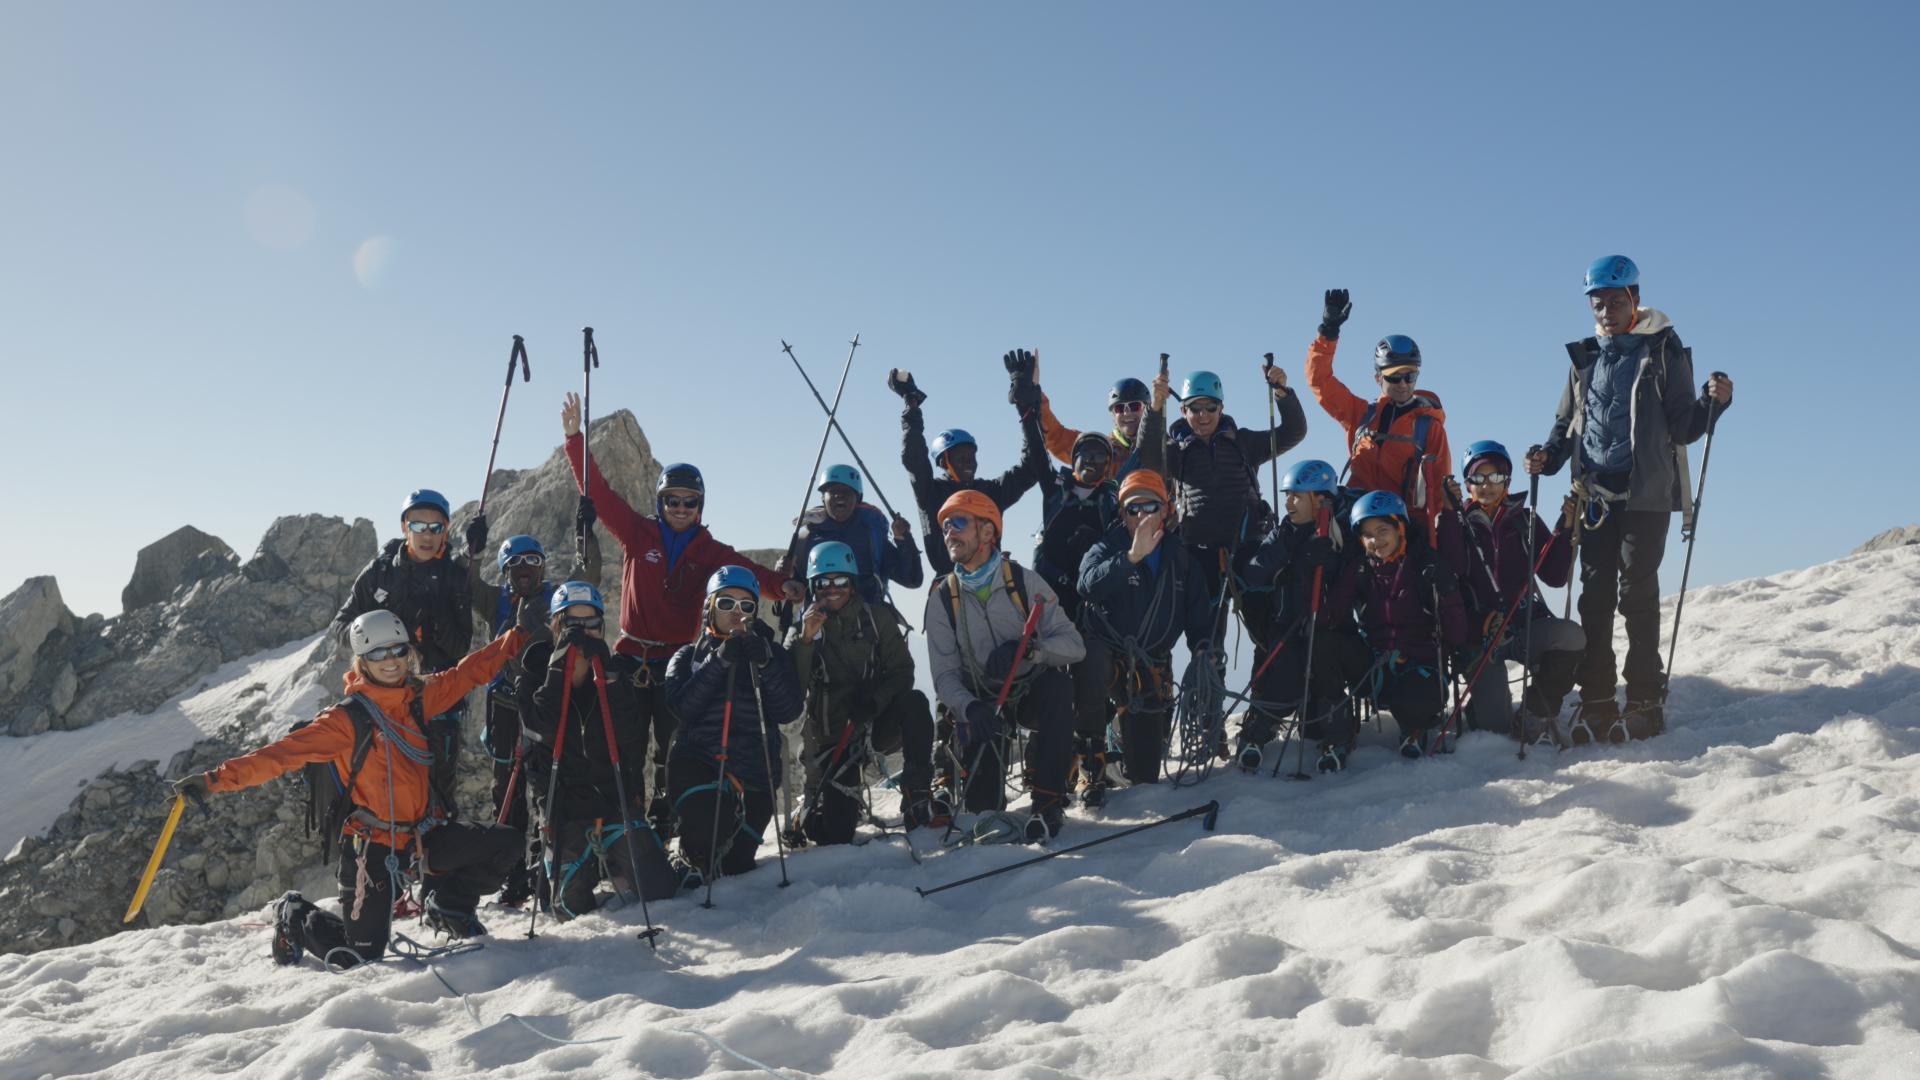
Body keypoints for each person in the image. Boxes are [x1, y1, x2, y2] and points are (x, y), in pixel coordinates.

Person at [171, 609, 532, 968]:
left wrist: (518, 636)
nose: (390, 661)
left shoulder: (420, 697)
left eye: (397, 651)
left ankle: (449, 907)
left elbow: (468, 673)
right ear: (362, 661)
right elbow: (279, 755)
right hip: (372, 848)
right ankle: (295, 916)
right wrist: (213, 781)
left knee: (506, 844)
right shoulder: (345, 721)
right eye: (377, 654)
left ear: (409, 653)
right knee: (359, 955)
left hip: (423, 836)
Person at [561, 392, 801, 838]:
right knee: (628, 744)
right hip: (632, 656)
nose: (681, 509)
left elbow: (749, 575)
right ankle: (628, 817)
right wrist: (575, 439)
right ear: (660, 501)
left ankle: (668, 817)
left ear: (700, 506)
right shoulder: (638, 533)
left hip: (677, 661)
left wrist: (782, 588)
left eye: (690, 502)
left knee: (672, 745)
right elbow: (600, 493)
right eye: (673, 500)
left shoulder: (710, 551)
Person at [1526, 255, 1734, 738]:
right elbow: (1566, 423)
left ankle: (1644, 699)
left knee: (1636, 597)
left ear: (1635, 300)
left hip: (1645, 495)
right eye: (1598, 303)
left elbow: (1683, 424)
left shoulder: (1663, 348)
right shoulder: (1585, 357)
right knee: (1593, 602)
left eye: (1615, 301)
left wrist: (1714, 404)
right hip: (1595, 496)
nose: (1605, 311)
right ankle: (1596, 699)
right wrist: (1547, 459)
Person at [924, 490, 1086, 840]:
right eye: (946, 526)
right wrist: (969, 707)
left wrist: (1032, 651)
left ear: (987, 532)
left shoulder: (1023, 583)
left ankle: (1047, 804)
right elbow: (945, 675)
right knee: (985, 807)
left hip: (1028, 691)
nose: (949, 532)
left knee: (1059, 688)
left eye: (959, 522)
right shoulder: (942, 597)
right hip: (981, 704)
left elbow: (1074, 646)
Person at [462, 516, 602, 909]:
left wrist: (585, 535)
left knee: (543, 783)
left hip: (542, 703)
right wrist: (472, 550)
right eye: (516, 563)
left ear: (541, 566)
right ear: (507, 571)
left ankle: (545, 866)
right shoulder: (496, 601)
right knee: (506, 786)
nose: (525, 568)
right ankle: (511, 873)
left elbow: (587, 572)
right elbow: (467, 586)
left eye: (532, 561)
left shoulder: (557, 596)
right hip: (505, 703)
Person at [520, 581, 678, 919]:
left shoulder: (616, 671)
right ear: (556, 626)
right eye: (571, 624)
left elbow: (629, 733)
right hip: (563, 807)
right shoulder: (533, 671)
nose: (582, 633)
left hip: (612, 800)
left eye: (590, 624)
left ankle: (615, 865)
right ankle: (583, 867)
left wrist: (609, 678)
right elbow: (540, 729)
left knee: (662, 892)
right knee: (569, 909)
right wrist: (557, 671)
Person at [1139, 364, 1307, 651]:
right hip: (1199, 552)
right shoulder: (1176, 453)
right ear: (1183, 411)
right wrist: (1154, 409)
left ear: (1221, 408)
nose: (1203, 415)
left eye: (1210, 407)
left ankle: (1270, 687)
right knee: (1206, 642)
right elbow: (1149, 455)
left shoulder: (1244, 442)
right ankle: (1207, 691)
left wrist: (1282, 392)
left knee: (1268, 630)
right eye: (1195, 408)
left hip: (1248, 548)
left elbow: (1293, 431)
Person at [785, 541, 942, 844]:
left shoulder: (877, 618)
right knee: (836, 834)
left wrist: (873, 704)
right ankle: (810, 815)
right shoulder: (799, 632)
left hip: (875, 724)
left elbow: (902, 672)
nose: (833, 589)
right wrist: (805, 641)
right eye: (823, 583)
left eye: (841, 581)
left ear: (852, 583)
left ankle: (917, 796)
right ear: (812, 587)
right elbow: (792, 691)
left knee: (915, 703)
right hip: (832, 740)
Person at [664, 567, 805, 886]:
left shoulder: (771, 652)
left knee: (734, 866)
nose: (736, 613)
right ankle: (688, 853)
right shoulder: (686, 656)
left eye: (746, 606)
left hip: (755, 774)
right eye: (726, 604)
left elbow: (787, 711)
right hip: (700, 766)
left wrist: (767, 664)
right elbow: (681, 708)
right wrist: (719, 661)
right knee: (704, 849)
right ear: (709, 608)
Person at [1075, 471, 1214, 791]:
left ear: (1165, 510)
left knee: (1145, 776)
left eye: (1149, 507)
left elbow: (1198, 614)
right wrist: (1130, 558)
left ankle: (1121, 760)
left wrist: (1203, 647)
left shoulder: (1181, 558)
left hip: (1150, 665)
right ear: (1121, 513)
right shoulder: (1107, 545)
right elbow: (1086, 586)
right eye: (1131, 509)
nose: (1140, 515)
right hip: (1107, 653)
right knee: (1092, 663)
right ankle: (1091, 754)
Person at [1438, 441, 1585, 744]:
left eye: (1496, 477)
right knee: (1496, 730)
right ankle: (1479, 710)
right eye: (1478, 478)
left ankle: (1536, 710)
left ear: (1507, 480)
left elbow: (1555, 576)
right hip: (1480, 637)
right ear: (1467, 484)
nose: (1487, 485)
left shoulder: (1525, 520)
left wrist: (1568, 528)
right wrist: (1450, 514)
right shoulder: (1456, 521)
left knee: (1572, 636)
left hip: (1522, 625)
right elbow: (1452, 567)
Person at [1313, 491, 1470, 764]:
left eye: (1383, 530)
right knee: (1324, 643)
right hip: (1375, 669)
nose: (1376, 541)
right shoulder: (1361, 568)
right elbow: (1330, 618)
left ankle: (1414, 726)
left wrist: (1446, 590)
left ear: (1400, 527)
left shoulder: (1424, 563)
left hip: (1419, 668)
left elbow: (1456, 634)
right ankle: (1340, 727)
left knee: (1415, 702)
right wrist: (1325, 572)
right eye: (1368, 535)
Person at [1302, 290, 1453, 540]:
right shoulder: (1361, 415)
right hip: (1355, 521)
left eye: (1410, 376)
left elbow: (1438, 486)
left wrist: (1434, 534)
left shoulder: (1429, 427)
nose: (1403, 384)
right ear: (1378, 378)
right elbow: (1319, 380)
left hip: (1400, 530)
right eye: (1394, 377)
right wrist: (1328, 331)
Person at [1234, 459, 1352, 770]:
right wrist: (1288, 554)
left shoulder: (1339, 532)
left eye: (1297, 496)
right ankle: (1257, 733)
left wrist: (1328, 561)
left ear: (1320, 499)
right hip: (1287, 623)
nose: (1288, 503)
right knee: (1282, 683)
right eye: (1288, 495)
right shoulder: (1284, 532)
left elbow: (1350, 579)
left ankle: (1336, 736)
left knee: (1327, 681)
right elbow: (1254, 572)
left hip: (1326, 627)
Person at [890, 350, 1050, 575]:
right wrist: (911, 405)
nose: (970, 463)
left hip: (993, 582)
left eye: (972, 456)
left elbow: (1033, 467)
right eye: (961, 457)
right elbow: (913, 458)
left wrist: (1026, 403)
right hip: (950, 588)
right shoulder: (931, 493)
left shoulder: (991, 491)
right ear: (944, 461)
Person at [1032, 432, 1121, 803]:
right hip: (1052, 603)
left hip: (1092, 606)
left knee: (1093, 669)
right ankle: (1056, 759)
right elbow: (1035, 448)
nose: (1092, 462)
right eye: (1085, 454)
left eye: (1101, 457)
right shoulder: (1054, 491)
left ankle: (1091, 758)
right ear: (1072, 458)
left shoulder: (1112, 501)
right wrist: (1026, 393)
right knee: (1053, 680)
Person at [331, 488, 476, 679]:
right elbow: (339, 626)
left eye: (436, 527)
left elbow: (460, 648)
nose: (427, 535)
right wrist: (379, 632)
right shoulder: (379, 572)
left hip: (437, 691)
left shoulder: (455, 578)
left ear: (445, 530)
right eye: (417, 526)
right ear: (404, 527)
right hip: (384, 690)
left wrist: (439, 614)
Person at [785, 464, 923, 607]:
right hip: (818, 622)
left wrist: (904, 540)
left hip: (869, 620)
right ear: (823, 499)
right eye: (832, 491)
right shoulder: (806, 538)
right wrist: (787, 580)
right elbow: (796, 591)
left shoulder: (873, 535)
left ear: (858, 499)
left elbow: (911, 579)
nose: (839, 495)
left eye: (846, 491)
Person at [1035, 369, 1153, 484]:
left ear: (1147, 410)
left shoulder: (1164, 447)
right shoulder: (1100, 449)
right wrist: (1034, 394)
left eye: (1134, 406)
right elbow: (1056, 437)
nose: (1127, 413)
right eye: (1119, 408)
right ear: (1113, 415)